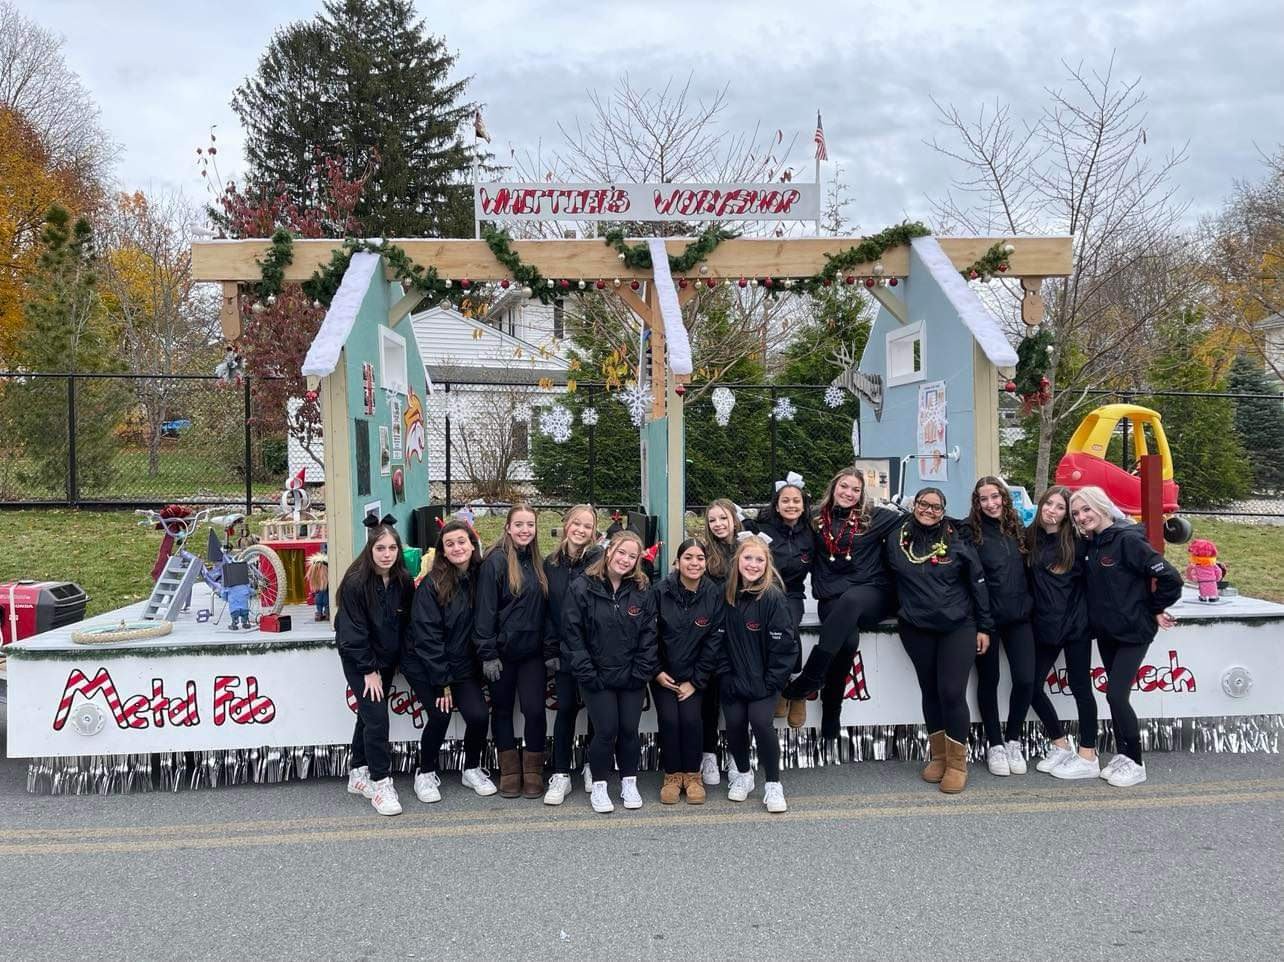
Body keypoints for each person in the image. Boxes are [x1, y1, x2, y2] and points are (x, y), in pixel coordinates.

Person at [1070, 485, 1183, 787]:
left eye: (1086, 509)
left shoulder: (1128, 540)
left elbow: (1170, 578)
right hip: (1108, 633)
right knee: (1117, 695)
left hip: (1134, 632)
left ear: (1102, 506)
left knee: (1115, 695)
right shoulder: (1092, 544)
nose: (1082, 517)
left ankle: (1136, 761)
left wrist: (1155, 608)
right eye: (1077, 513)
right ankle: (1122, 754)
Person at [782, 467, 900, 742]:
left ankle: (808, 681)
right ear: (833, 488)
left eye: (855, 490)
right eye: (844, 487)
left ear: (862, 495)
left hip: (872, 593)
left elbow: (914, 519)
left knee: (851, 600)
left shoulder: (875, 518)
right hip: (832, 598)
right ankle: (831, 708)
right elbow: (779, 515)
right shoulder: (814, 518)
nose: (849, 493)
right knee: (847, 642)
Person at [887, 488, 993, 794]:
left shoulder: (957, 536)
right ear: (914, 505)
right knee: (930, 689)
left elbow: (978, 581)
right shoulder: (896, 537)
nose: (929, 510)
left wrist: (984, 626)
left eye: (936, 507)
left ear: (944, 510)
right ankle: (939, 756)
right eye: (924, 504)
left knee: (951, 691)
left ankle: (958, 763)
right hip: (916, 626)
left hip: (957, 625)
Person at [562, 531, 659, 814]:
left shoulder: (642, 589)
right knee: (606, 731)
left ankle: (629, 782)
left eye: (632, 556)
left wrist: (640, 671)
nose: (625, 560)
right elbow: (572, 633)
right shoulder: (582, 586)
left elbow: (649, 634)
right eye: (621, 552)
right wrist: (588, 672)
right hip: (596, 676)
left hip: (631, 676)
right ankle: (601, 784)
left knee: (629, 730)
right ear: (609, 552)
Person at [403, 520, 498, 803]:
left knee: (479, 716)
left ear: (472, 544)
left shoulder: (483, 577)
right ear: (442, 551)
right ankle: (426, 772)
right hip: (425, 663)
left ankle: (471, 768)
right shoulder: (432, 585)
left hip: (462, 664)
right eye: (450, 543)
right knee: (440, 714)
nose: (457, 548)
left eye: (462, 541)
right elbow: (427, 636)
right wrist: (442, 682)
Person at [335, 518, 413, 816]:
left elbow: (404, 622)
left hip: (387, 658)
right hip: (360, 660)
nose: (387, 554)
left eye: (392, 547)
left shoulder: (403, 580)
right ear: (370, 549)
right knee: (378, 717)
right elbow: (352, 632)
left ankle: (358, 771)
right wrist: (369, 670)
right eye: (380, 548)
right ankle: (381, 781)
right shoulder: (356, 582)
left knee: (368, 715)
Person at [1023, 486, 1102, 779]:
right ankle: (1060, 744)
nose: (1051, 511)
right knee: (1030, 687)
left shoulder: (1078, 543)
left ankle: (1088, 754)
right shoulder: (1029, 538)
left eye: (1059, 507)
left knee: (1081, 688)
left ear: (1067, 515)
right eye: (1049, 504)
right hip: (1043, 626)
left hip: (1076, 627)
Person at [963, 477, 1037, 777]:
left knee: (1025, 680)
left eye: (995, 497)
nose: (991, 503)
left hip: (1020, 618)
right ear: (976, 503)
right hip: (987, 622)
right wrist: (981, 622)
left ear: (1004, 498)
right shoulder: (969, 532)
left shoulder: (1017, 527)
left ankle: (1013, 739)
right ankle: (994, 743)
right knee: (989, 681)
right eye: (984, 499)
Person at [475, 503, 550, 800]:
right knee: (503, 710)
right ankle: (508, 769)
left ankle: (533, 769)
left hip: (532, 653)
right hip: (502, 654)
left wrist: (551, 648)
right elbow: (484, 611)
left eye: (530, 525)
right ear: (507, 527)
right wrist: (487, 652)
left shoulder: (536, 561)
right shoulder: (494, 562)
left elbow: (546, 610)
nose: (524, 530)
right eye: (519, 524)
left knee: (534, 710)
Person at [718, 533, 796, 814]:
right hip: (732, 679)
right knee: (735, 723)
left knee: (761, 723)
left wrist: (771, 682)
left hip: (764, 681)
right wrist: (725, 676)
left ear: (767, 564)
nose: (752, 564)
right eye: (747, 558)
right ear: (737, 561)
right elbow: (718, 641)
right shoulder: (726, 594)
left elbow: (785, 646)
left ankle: (773, 784)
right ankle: (743, 773)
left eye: (759, 560)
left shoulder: (773, 597)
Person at [653, 539, 724, 804]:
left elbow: (714, 640)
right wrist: (657, 672)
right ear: (677, 562)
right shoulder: (660, 591)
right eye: (688, 557)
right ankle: (672, 776)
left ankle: (693, 776)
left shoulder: (713, 593)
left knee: (692, 720)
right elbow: (650, 636)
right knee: (670, 720)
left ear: (706, 563)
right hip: (664, 675)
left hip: (695, 677)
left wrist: (695, 681)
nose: (694, 563)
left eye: (700, 558)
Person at [542, 504, 602, 805]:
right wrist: (551, 648)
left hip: (593, 652)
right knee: (565, 709)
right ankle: (561, 773)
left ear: (594, 532)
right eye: (576, 523)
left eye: (588, 526)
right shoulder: (550, 563)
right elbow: (548, 610)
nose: (581, 530)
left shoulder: (598, 562)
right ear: (566, 525)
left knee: (595, 711)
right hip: (563, 651)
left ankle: (592, 764)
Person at [755, 472, 815, 729]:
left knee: (788, 627)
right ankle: (779, 685)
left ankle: (797, 691)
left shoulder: (811, 533)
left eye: (796, 501)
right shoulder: (762, 529)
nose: (791, 505)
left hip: (791, 594)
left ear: (803, 506)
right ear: (776, 506)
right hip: (765, 592)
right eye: (786, 501)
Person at [697, 498, 743, 786]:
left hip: (743, 634)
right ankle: (709, 754)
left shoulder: (747, 547)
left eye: (722, 518)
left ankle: (739, 758)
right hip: (715, 634)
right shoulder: (704, 552)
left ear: (733, 519)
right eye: (712, 520)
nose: (718, 525)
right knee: (710, 701)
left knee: (738, 701)